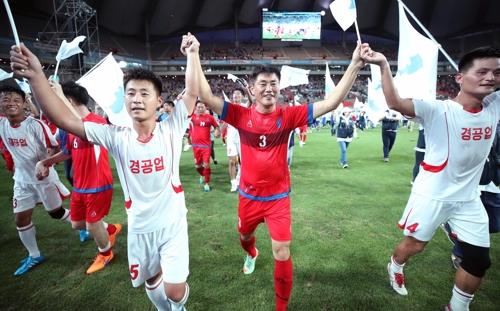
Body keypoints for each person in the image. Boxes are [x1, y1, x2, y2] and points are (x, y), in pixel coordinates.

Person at [10, 32, 199, 310]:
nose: (136, 98)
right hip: (140, 229)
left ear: (159, 101)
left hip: (173, 225)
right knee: (152, 281)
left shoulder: (171, 127)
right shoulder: (115, 135)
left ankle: (178, 308)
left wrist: (192, 54)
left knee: (173, 289)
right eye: (131, 93)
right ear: (125, 101)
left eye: (144, 93)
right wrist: (37, 75)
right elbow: (62, 118)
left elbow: (192, 92)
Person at [197, 36, 368, 310]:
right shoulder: (240, 116)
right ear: (252, 89)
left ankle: (281, 307)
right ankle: (251, 252)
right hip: (248, 197)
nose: (268, 88)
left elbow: (333, 102)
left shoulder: (289, 116)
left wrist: (355, 64)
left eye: (273, 83)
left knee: (282, 251)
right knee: (243, 236)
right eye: (262, 84)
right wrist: (194, 53)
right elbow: (205, 96)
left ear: (279, 88)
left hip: (278, 198)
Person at [362, 46, 500, 310]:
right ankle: (395, 264)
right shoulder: (437, 109)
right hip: (432, 195)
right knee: (415, 245)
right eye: (482, 71)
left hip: (469, 200)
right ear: (459, 78)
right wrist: (382, 64)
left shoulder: (494, 105)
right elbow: (395, 103)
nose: (490, 78)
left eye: (496, 73)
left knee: (479, 261)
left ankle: (457, 307)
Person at [35, 81, 122, 274]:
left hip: (98, 184)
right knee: (77, 223)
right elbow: (68, 151)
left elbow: (87, 131)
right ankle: (109, 229)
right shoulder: (69, 128)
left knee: (91, 226)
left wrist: (60, 96)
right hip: (80, 185)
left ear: (70, 101)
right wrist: (45, 162)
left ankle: (105, 253)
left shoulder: (96, 122)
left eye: (58, 101)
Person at [0, 84, 72, 276]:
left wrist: (45, 164)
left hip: (44, 179)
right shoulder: (1, 124)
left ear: (24, 103)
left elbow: (53, 148)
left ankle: (87, 225)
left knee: (56, 213)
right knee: (21, 219)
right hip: (22, 181)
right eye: (6, 99)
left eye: (16, 99)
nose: (11, 103)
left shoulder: (35, 125)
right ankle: (34, 254)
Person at [442, 121, 500, 269]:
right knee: (474, 223)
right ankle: (459, 252)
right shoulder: (471, 124)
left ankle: (449, 224)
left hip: (493, 182)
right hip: (471, 184)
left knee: (494, 224)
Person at [189, 100, 219, 192]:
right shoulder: (192, 117)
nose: (200, 109)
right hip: (195, 146)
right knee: (198, 166)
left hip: (206, 146)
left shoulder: (210, 118)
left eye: (202, 107)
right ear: (195, 108)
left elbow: (217, 127)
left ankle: (206, 183)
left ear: (205, 107)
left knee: (206, 165)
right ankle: (202, 175)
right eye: (198, 107)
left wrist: (217, 132)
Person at [226, 88, 246, 192]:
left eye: (238, 94)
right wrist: (219, 131)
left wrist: (248, 89)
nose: (235, 95)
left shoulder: (245, 107)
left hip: (242, 137)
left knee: (243, 162)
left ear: (242, 97)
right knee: (232, 161)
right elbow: (224, 120)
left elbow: (252, 102)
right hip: (231, 137)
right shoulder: (228, 107)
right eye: (234, 93)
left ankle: (239, 180)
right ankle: (233, 183)